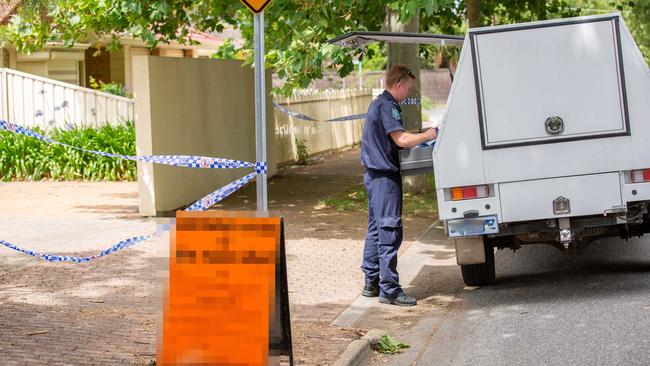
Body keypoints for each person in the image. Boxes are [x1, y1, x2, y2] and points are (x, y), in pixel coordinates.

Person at [360, 64, 438, 307]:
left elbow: (397, 139)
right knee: (389, 231)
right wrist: (428, 135)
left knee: (375, 230)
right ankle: (390, 289)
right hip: (384, 178)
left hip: (374, 176)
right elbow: (401, 139)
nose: (409, 93)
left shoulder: (380, 103)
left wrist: (417, 133)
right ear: (398, 84)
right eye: (408, 88)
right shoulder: (388, 106)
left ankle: (371, 282)